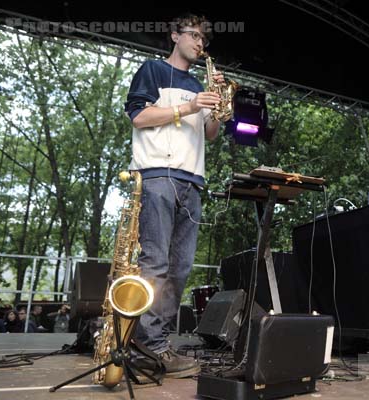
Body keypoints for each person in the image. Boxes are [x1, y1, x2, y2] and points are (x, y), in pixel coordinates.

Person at [124, 13, 224, 378]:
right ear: (174, 36)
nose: (200, 44)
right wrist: (190, 106)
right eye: (194, 36)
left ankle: (159, 344)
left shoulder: (199, 83)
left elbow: (209, 134)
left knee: (180, 269)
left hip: (192, 180)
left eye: (204, 40)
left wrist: (218, 113)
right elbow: (138, 117)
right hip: (158, 176)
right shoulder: (152, 69)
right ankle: (146, 345)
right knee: (155, 264)